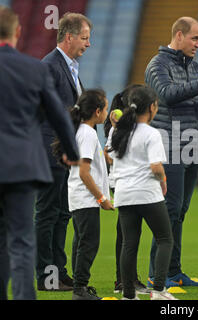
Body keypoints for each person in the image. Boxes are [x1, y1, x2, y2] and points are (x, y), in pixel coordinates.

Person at [0, 6, 79, 300]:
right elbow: (59, 116)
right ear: (18, 33)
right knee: (21, 240)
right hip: (21, 167)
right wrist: (71, 152)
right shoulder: (34, 69)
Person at [144, 16, 198, 287]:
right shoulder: (157, 65)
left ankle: (174, 271)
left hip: (192, 147)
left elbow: (197, 104)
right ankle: (157, 274)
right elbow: (167, 95)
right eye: (195, 38)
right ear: (178, 36)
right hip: (169, 147)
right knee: (169, 210)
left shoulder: (194, 67)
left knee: (180, 211)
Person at [34, 12, 92, 291]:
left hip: (64, 154)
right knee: (47, 214)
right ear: (68, 37)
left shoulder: (68, 67)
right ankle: (46, 276)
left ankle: (58, 273)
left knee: (61, 215)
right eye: (84, 38)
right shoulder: (50, 66)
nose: (88, 44)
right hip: (50, 152)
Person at [109, 85, 177, 300]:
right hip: (147, 193)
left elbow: (110, 157)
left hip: (123, 193)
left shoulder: (116, 130)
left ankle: (129, 295)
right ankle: (158, 290)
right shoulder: (150, 133)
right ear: (152, 107)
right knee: (165, 238)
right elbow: (156, 167)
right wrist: (163, 181)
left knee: (129, 244)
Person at [53, 89, 114, 300]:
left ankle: (80, 287)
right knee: (88, 244)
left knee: (81, 242)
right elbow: (84, 171)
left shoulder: (82, 131)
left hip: (78, 198)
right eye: (105, 108)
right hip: (86, 198)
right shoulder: (87, 133)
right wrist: (102, 198)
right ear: (97, 111)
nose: (107, 112)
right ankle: (80, 289)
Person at [103, 85, 149, 295]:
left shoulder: (123, 127)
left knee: (126, 230)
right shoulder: (123, 129)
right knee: (127, 231)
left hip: (123, 182)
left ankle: (126, 279)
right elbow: (109, 154)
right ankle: (124, 280)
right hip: (125, 182)